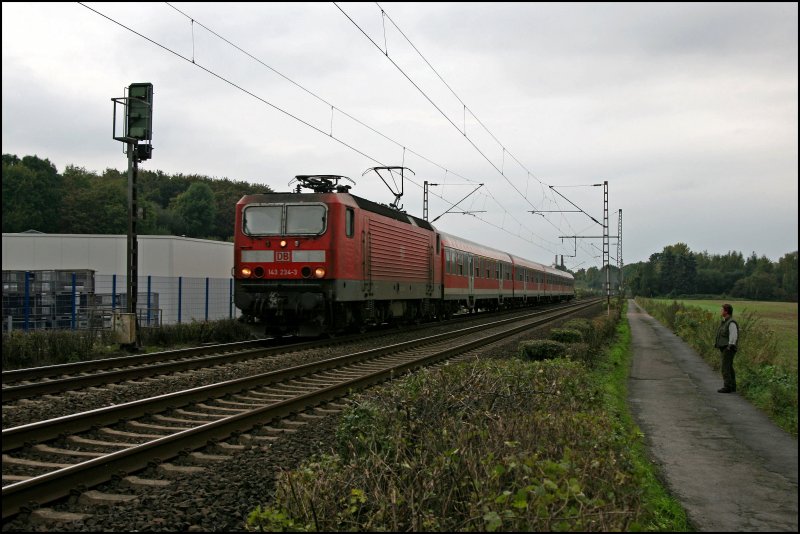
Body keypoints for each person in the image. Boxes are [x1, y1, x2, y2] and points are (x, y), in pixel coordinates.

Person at [714, 303, 739, 393]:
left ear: (726, 311)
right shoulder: (725, 321)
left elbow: (734, 336)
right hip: (725, 348)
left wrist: (730, 346)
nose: (720, 311)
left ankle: (727, 386)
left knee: (725, 367)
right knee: (729, 367)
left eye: (722, 310)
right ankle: (732, 386)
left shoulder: (731, 322)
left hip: (728, 348)